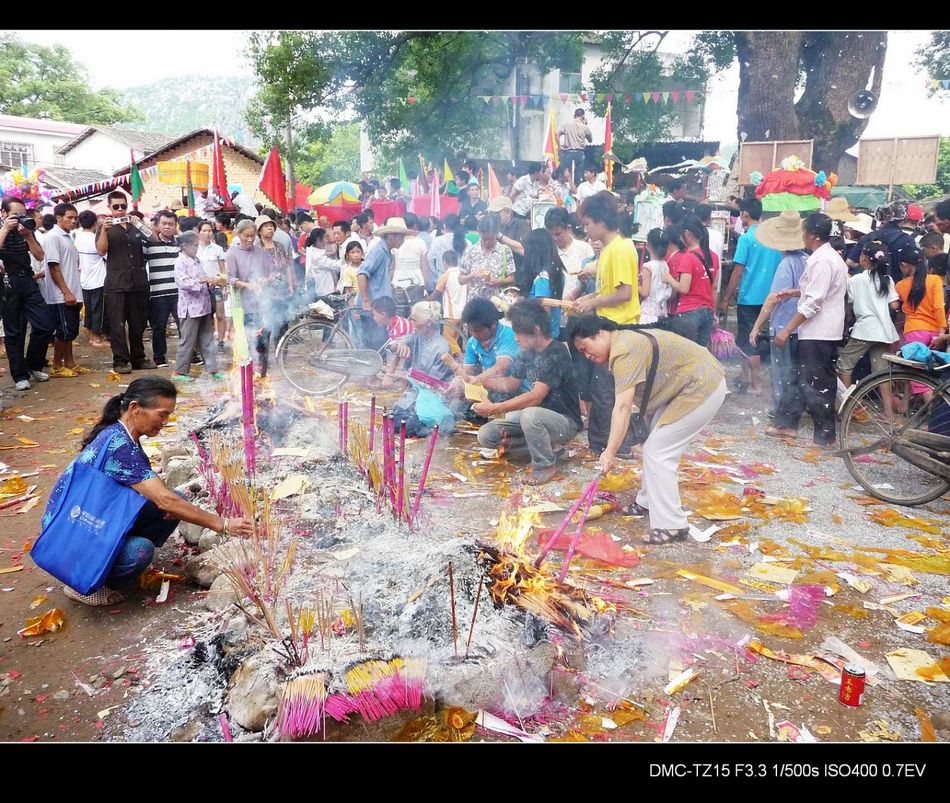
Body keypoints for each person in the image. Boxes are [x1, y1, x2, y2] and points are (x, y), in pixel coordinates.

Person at [43, 377, 253, 605]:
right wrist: (222, 524)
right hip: (73, 538)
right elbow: (164, 499)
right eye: (162, 414)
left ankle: (111, 557)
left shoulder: (122, 434)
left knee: (176, 502)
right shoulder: (120, 446)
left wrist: (172, 505)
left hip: (92, 519)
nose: (165, 421)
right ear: (135, 408)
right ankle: (84, 584)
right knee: (141, 550)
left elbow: (159, 496)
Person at [572, 314, 726, 543]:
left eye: (586, 347)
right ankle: (646, 501)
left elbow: (622, 407)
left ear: (600, 333)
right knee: (652, 444)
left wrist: (610, 451)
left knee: (659, 451)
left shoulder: (624, 349)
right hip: (686, 388)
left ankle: (672, 525)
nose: (587, 355)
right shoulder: (623, 342)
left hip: (703, 386)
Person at [474, 300, 581, 484]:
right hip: (534, 421)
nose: (515, 338)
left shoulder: (556, 352)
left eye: (519, 333)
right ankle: (549, 449)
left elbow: (536, 396)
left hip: (564, 422)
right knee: (486, 435)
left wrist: (495, 407)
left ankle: (545, 465)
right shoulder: (527, 353)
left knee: (530, 415)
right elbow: (511, 383)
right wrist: (481, 383)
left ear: (536, 330)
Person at [771, 213, 849, 447]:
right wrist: (795, 292)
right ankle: (786, 424)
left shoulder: (824, 260)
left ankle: (825, 438)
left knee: (818, 384)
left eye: (804, 232)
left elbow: (814, 302)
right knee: (798, 375)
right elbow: (816, 291)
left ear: (813, 235)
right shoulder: (822, 258)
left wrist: (787, 329)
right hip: (814, 331)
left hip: (819, 331)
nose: (802, 237)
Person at [574, 190, 641, 454]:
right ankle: (600, 443)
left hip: (619, 329)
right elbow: (605, 291)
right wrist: (583, 300)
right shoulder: (608, 251)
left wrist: (591, 303)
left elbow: (625, 293)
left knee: (609, 394)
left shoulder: (622, 249)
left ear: (601, 221)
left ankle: (615, 446)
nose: (586, 229)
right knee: (599, 390)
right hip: (606, 325)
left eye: (587, 224)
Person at [747, 211, 809, 416]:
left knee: (781, 371)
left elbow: (774, 297)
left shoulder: (786, 264)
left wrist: (756, 326)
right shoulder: (807, 259)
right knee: (795, 370)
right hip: (802, 325)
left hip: (784, 325)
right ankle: (794, 408)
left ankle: (782, 411)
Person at [720, 199, 782, 392]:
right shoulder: (773, 238)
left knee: (750, 340)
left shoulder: (747, 239)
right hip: (771, 297)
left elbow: (738, 272)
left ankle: (757, 384)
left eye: (741, 214)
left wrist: (725, 298)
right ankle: (745, 376)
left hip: (749, 298)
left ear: (746, 214)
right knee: (759, 338)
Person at [836, 239, 900, 412]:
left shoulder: (857, 280)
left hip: (865, 330)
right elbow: (895, 305)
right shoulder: (887, 279)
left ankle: (848, 407)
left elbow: (849, 301)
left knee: (845, 364)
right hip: (885, 331)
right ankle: (888, 413)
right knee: (882, 371)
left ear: (865, 258)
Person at [0, 197, 53, 390]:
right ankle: (19, 375)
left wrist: (29, 236)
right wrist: (5, 229)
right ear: (4, 214)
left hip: (28, 280)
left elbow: (39, 255)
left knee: (45, 325)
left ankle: (33, 364)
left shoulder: (27, 230)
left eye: (23, 214)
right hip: (7, 283)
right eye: (16, 215)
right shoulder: (2, 228)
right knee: (14, 332)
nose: (20, 218)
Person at [389, 300, 456, 436]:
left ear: (428, 323)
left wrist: (406, 376)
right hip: (415, 395)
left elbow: (433, 384)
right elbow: (395, 343)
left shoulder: (441, 348)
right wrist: (398, 345)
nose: (411, 323)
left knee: (408, 427)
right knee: (393, 421)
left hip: (433, 399)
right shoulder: (418, 335)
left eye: (414, 320)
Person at [171, 231, 224, 382]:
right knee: (188, 340)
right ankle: (179, 372)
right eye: (194, 245)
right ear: (184, 246)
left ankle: (212, 370)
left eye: (196, 245)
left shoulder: (196, 260)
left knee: (207, 339)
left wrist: (211, 283)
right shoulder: (180, 262)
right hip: (190, 308)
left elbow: (203, 279)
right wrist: (203, 281)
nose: (196, 248)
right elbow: (184, 283)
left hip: (203, 306)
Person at [896, 245, 947, 399]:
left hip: (914, 332)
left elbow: (896, 308)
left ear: (904, 265)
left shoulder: (901, 286)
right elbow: (939, 307)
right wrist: (942, 332)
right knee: (930, 373)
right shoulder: (935, 280)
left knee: (916, 378)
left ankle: (931, 419)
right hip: (934, 332)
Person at [42, 203, 86, 377]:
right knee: (63, 332)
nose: (73, 221)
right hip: (61, 295)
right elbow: (54, 267)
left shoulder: (68, 237)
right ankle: (57, 365)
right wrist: (66, 291)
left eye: (75, 218)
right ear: (58, 218)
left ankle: (70, 363)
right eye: (69, 217)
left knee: (71, 332)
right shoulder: (53, 236)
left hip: (73, 291)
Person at [663, 215, 718, 348]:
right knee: (701, 354)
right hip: (707, 312)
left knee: (685, 355)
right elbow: (714, 288)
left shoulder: (689, 257)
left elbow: (683, 288)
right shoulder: (714, 257)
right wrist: (714, 312)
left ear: (687, 233)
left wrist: (669, 278)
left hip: (689, 312)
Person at [226, 219, 272, 375]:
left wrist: (264, 280)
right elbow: (230, 279)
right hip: (244, 307)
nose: (250, 239)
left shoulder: (261, 252)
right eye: (246, 236)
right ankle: (247, 377)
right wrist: (247, 285)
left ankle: (262, 376)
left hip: (262, 305)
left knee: (263, 343)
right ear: (239, 235)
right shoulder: (232, 253)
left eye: (253, 236)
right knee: (246, 344)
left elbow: (272, 274)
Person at [356, 216, 409, 350]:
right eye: (402, 237)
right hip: (373, 306)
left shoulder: (387, 252)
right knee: (373, 345)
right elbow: (362, 273)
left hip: (379, 305)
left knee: (379, 343)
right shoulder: (379, 251)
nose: (403, 241)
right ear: (392, 236)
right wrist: (366, 299)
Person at [459, 296, 522, 403]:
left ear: (493, 325)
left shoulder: (509, 336)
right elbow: (467, 371)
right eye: (470, 330)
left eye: (478, 330)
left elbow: (501, 368)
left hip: (515, 393)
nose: (474, 335)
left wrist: (478, 380)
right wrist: (460, 381)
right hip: (490, 393)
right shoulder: (472, 342)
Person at [143, 210, 180, 369]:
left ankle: (190, 354)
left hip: (178, 293)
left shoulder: (180, 244)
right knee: (159, 327)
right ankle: (159, 356)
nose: (167, 227)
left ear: (175, 226)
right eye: (164, 224)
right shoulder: (149, 244)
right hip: (157, 293)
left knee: (184, 325)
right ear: (157, 226)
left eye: (171, 224)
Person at [846, 201, 916, 283]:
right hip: (896, 286)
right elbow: (912, 268)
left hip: (868, 285)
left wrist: (869, 268)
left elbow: (850, 262)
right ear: (904, 219)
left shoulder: (868, 237)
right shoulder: (907, 240)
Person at [458, 213, 516, 299]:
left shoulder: (505, 251)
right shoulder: (470, 251)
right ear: (479, 233)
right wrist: (472, 275)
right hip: (475, 303)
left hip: (497, 304)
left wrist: (498, 282)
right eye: (485, 238)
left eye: (491, 239)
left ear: (496, 234)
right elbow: (461, 280)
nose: (487, 242)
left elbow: (512, 278)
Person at [75, 210, 108, 349]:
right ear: (94, 223)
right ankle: (96, 338)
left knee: (89, 309)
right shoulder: (94, 239)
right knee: (98, 310)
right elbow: (105, 254)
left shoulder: (77, 237)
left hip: (84, 279)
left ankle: (89, 332)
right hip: (98, 279)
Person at [525, 229, 566, 338]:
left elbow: (544, 312)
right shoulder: (556, 272)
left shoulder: (543, 278)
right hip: (552, 332)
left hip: (542, 337)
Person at [196, 220, 228, 351]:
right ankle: (205, 343)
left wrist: (224, 285)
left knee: (220, 315)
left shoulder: (218, 249)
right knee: (204, 317)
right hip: (200, 288)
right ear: (198, 232)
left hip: (217, 287)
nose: (207, 233)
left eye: (209, 230)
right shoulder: (194, 249)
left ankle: (220, 342)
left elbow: (223, 271)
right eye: (204, 230)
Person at [489, 196, 531, 284]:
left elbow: (523, 249)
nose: (494, 216)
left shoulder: (520, 224)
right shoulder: (495, 226)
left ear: (508, 212)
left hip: (517, 275)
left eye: (497, 213)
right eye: (492, 213)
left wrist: (499, 236)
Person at [392, 212, 429, 306]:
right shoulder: (420, 242)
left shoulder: (395, 242)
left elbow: (392, 268)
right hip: (417, 282)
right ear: (415, 225)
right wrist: (426, 285)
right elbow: (425, 268)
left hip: (398, 282)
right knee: (416, 314)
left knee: (400, 312)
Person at [640, 228, 672, 325]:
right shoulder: (665, 265)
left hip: (648, 312)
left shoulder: (647, 267)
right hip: (662, 310)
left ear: (648, 245)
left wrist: (635, 285)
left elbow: (645, 292)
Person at [428, 213, 469, 283]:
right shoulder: (467, 242)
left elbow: (430, 261)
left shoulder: (437, 241)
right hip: (460, 282)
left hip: (442, 279)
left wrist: (437, 275)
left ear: (444, 225)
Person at [304, 227, 339, 300]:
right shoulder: (317, 256)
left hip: (325, 289)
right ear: (318, 240)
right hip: (324, 290)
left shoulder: (316, 251)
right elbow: (334, 265)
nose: (327, 240)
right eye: (325, 238)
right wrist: (346, 261)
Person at [432, 250, 467, 322]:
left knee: (447, 333)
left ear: (444, 262)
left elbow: (435, 295)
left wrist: (423, 300)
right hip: (464, 314)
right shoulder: (464, 275)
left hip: (451, 315)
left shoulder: (445, 276)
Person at [557, 109, 592, 174]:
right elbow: (590, 140)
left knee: (566, 173)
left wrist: (559, 146)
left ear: (574, 116)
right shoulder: (585, 127)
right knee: (579, 174)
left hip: (568, 153)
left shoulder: (566, 125)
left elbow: (557, 134)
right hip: (579, 153)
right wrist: (585, 125)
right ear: (583, 117)